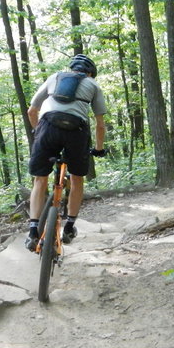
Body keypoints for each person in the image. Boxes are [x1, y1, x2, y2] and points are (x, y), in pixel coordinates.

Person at [24, 54, 107, 251]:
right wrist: (99, 149)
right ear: (90, 73)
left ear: (72, 69)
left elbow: (31, 111)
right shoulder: (93, 85)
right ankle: (69, 227)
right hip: (76, 131)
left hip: (48, 126)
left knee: (40, 179)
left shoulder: (55, 77)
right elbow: (100, 124)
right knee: (77, 178)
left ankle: (33, 231)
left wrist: (38, 134)